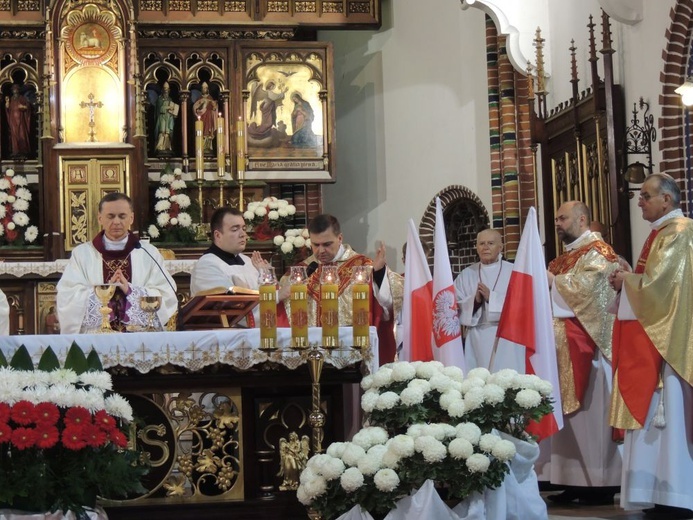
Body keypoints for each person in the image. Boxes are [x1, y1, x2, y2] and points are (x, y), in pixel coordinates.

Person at [609, 173, 693, 520]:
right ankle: (660, 493)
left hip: (669, 345)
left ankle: (676, 495)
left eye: (645, 195)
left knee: (670, 418)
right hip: (654, 339)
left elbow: (662, 289)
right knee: (658, 422)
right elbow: (653, 282)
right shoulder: (661, 233)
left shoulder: (679, 232)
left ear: (667, 200)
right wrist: (630, 278)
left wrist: (625, 280)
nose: (639, 201)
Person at [545, 201, 622, 505]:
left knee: (591, 416)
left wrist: (552, 281)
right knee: (571, 423)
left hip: (589, 347)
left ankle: (601, 482)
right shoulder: (567, 257)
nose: (558, 223)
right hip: (564, 344)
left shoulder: (599, 251)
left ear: (582, 219)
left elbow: (589, 291)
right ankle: (573, 480)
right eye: (556, 218)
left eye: (562, 218)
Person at [277, 214, 403, 363]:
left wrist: (378, 273)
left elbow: (390, 305)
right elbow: (279, 315)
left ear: (340, 238)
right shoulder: (301, 271)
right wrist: (278, 293)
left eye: (327, 244)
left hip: (352, 355)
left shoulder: (362, 266)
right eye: (315, 245)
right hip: (308, 356)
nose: (321, 251)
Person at [56, 192, 178, 334]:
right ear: (100, 218)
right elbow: (67, 296)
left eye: (122, 216)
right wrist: (103, 293)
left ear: (131, 218)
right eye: (110, 216)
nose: (116, 222)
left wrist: (130, 291)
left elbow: (167, 294)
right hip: (96, 337)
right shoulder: (82, 254)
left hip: (139, 337)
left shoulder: (148, 253)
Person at [453, 228, 522, 371]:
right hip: (476, 337)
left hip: (506, 337)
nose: (485, 247)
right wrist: (475, 301)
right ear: (476, 247)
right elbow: (454, 305)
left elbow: (521, 303)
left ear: (500, 247)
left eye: (490, 243)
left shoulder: (514, 271)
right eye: (481, 243)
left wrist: (492, 298)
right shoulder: (466, 274)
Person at [190, 206, 268, 298]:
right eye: (235, 229)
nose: (243, 234)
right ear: (218, 235)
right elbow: (231, 302)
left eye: (243, 228)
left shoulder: (248, 261)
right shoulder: (207, 265)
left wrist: (266, 274)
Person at [5, 84, 31, 158]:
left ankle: (23, 151)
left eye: (16, 89)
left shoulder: (22, 98)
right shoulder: (11, 99)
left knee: (22, 134)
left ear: (18, 90)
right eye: (13, 89)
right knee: (14, 135)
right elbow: (7, 109)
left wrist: (23, 107)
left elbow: (28, 106)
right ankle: (15, 151)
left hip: (21, 120)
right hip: (13, 120)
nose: (15, 91)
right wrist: (7, 102)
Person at [192, 82, 218, 153]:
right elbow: (196, 109)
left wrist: (214, 106)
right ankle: (202, 147)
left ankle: (208, 147)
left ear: (207, 89)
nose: (204, 89)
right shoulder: (199, 98)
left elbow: (214, 109)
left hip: (209, 118)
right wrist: (201, 106)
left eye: (205, 88)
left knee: (208, 132)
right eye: (203, 88)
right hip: (202, 118)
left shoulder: (210, 98)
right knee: (202, 132)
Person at [154, 82, 178, 153]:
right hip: (162, 117)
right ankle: (160, 147)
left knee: (168, 132)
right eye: (165, 89)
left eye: (167, 89)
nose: (166, 90)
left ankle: (167, 146)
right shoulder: (159, 99)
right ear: (162, 90)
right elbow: (159, 108)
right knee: (162, 132)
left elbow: (173, 108)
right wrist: (167, 107)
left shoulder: (170, 99)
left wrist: (174, 113)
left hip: (169, 118)